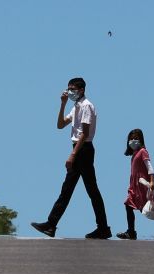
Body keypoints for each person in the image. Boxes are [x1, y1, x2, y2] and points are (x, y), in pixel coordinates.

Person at [32, 77, 111, 239]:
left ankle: (102, 227)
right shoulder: (76, 107)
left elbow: (85, 133)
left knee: (90, 190)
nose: (70, 92)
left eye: (72, 89)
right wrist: (62, 104)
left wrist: (72, 155)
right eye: (68, 89)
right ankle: (52, 224)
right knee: (70, 189)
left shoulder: (87, 106)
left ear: (81, 90)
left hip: (83, 150)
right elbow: (60, 125)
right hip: (78, 149)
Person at [117, 128, 154, 240]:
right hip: (134, 187)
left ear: (141, 140)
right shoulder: (134, 155)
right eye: (131, 139)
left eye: (136, 139)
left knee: (146, 212)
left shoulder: (143, 152)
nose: (133, 141)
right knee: (128, 205)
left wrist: (152, 182)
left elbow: (149, 167)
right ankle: (131, 232)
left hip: (143, 187)